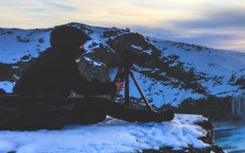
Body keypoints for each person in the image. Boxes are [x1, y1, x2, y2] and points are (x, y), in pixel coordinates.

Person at [5, 24, 173, 129]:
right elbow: (82, 88)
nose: (83, 48)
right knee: (102, 105)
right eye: (80, 44)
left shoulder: (51, 55)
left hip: (37, 102)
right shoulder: (62, 60)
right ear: (69, 44)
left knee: (96, 111)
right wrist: (111, 87)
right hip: (43, 105)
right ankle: (153, 117)